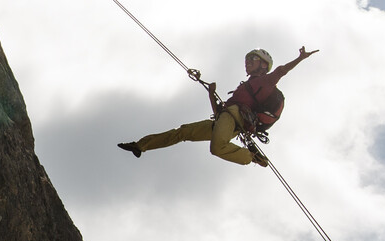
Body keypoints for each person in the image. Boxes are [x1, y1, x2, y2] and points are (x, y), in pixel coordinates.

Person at [118, 46, 318, 167]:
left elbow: (281, 71)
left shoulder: (263, 82)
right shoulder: (246, 87)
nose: (247, 62)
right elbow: (220, 114)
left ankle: (250, 156)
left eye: (253, 59)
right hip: (227, 119)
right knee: (183, 132)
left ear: (264, 65)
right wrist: (211, 94)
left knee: (216, 148)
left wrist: (299, 58)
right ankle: (141, 145)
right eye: (247, 59)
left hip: (233, 119)